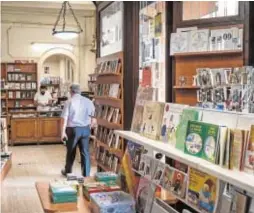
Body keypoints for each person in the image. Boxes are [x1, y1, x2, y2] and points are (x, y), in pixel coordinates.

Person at [61, 83, 96, 177]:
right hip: (85, 129)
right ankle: (86, 174)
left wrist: (62, 132)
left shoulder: (69, 102)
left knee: (71, 151)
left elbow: (65, 118)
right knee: (85, 152)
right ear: (79, 91)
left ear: (71, 91)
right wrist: (89, 127)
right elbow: (93, 118)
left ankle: (68, 171)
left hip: (73, 130)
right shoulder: (89, 101)